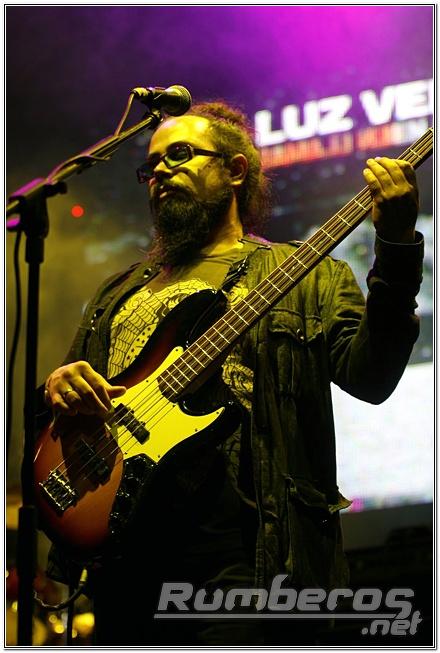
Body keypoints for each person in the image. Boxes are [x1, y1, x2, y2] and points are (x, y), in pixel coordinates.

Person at [39, 101, 423, 645]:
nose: (160, 171)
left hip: (248, 564)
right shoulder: (116, 292)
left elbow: (373, 377)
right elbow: (61, 411)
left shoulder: (308, 276)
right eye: (151, 166)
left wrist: (397, 247)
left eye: (179, 154)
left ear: (236, 170)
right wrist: (59, 388)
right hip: (126, 573)